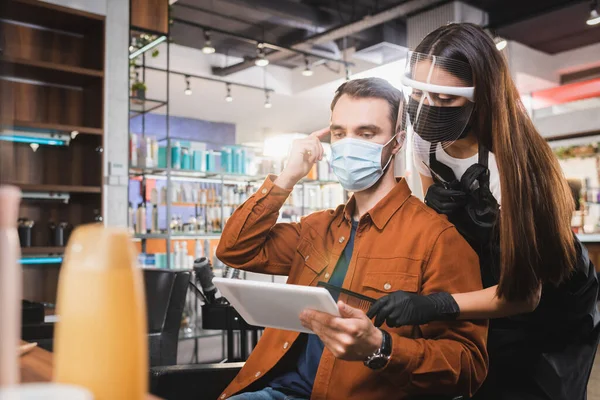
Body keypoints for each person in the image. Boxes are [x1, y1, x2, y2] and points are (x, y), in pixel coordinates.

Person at [215, 78, 488, 400]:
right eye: (339, 133)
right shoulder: (317, 228)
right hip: (277, 391)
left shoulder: (437, 239)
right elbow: (235, 249)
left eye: (366, 133)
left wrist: (381, 347)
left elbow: (467, 368)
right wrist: (287, 177)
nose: (347, 145)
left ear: (397, 142)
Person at [367, 23, 600, 400]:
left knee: (530, 384)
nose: (427, 110)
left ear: (482, 96)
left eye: (444, 99)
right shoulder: (426, 141)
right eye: (419, 93)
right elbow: (437, 230)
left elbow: (524, 296)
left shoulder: (515, 167)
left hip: (550, 292)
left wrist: (437, 304)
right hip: (489, 279)